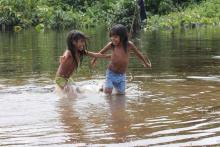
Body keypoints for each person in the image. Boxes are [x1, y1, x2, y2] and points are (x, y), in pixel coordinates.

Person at [91, 24, 151, 95]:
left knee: (121, 94)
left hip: (121, 76)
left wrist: (145, 63)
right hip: (111, 73)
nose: (113, 39)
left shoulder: (129, 45)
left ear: (122, 37)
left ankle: (106, 86)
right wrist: (94, 60)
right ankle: (102, 86)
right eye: (111, 37)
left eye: (115, 37)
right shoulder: (111, 45)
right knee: (108, 92)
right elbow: (100, 53)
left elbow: (138, 54)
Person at [55, 30, 110, 98]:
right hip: (60, 79)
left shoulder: (81, 52)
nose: (83, 44)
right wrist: (63, 58)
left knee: (78, 91)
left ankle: (99, 88)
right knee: (72, 96)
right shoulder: (69, 52)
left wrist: (108, 56)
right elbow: (65, 55)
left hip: (68, 79)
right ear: (74, 42)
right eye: (81, 41)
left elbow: (94, 54)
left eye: (84, 41)